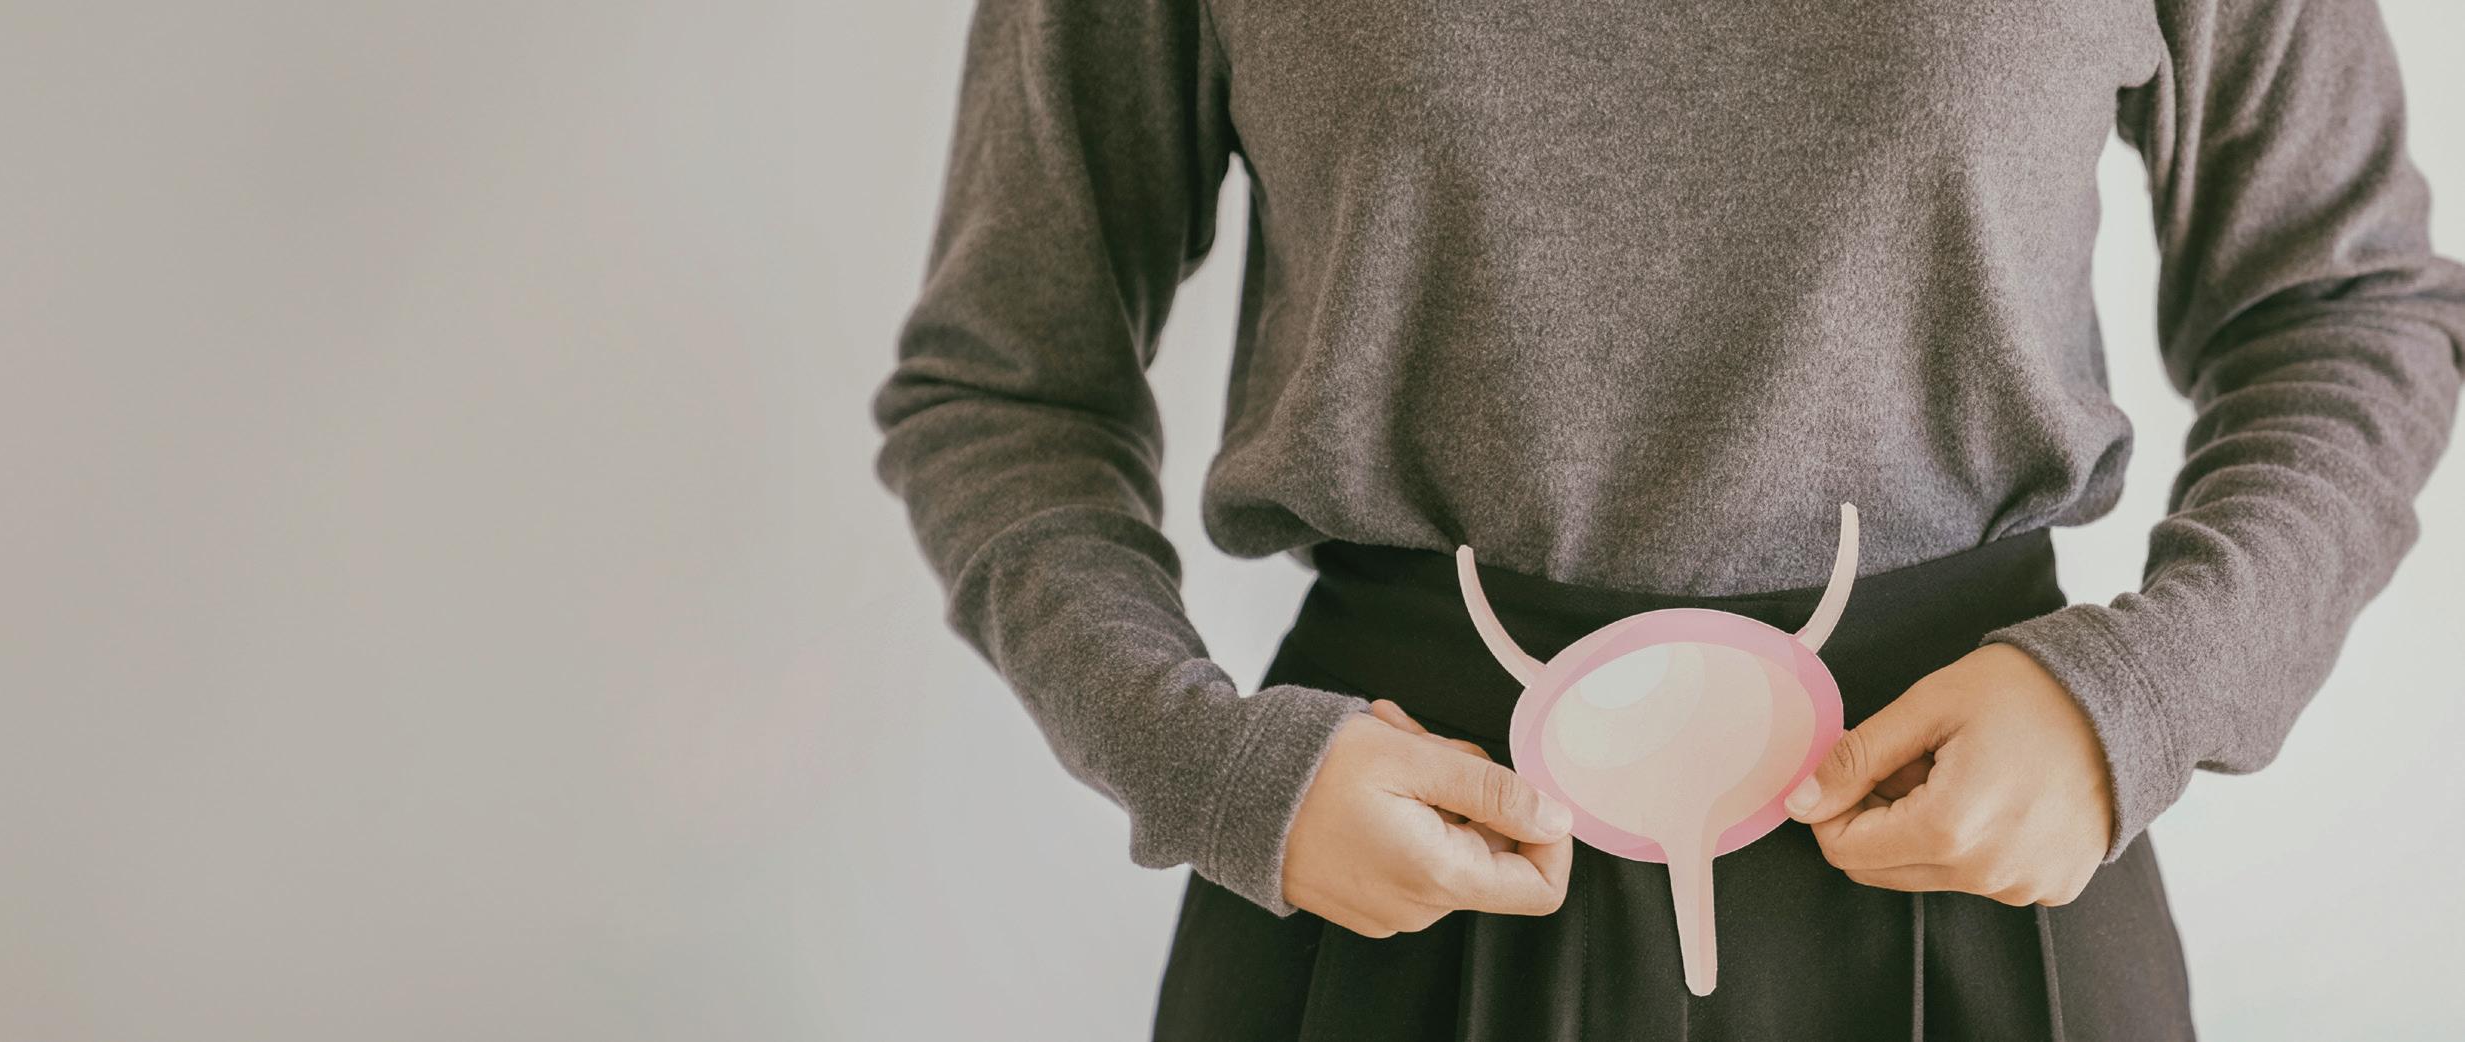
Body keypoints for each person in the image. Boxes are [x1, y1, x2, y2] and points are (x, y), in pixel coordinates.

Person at [869, 0, 2462, 1037]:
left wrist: (2145, 697)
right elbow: (1002, 387)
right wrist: (1206, 764)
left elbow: (2350, 307)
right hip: (1394, 872)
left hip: (1981, 862)